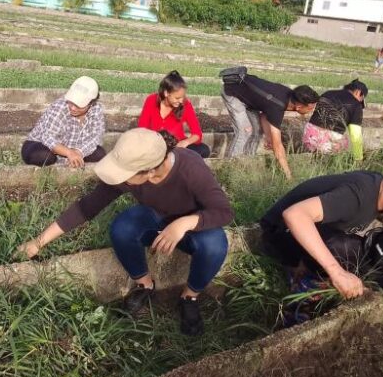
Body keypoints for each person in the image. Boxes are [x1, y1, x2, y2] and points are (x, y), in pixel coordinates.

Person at [17, 128, 234, 336]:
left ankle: (190, 297)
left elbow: (224, 211)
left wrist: (185, 222)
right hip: (156, 219)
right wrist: (38, 242)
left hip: (193, 229)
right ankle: (145, 285)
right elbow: (87, 207)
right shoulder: (130, 170)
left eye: (124, 174)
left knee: (215, 244)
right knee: (123, 227)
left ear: (149, 172)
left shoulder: (191, 167)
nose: (119, 177)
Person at [259, 163, 383, 299]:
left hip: (317, 230)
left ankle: (362, 294)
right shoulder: (356, 196)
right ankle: (303, 281)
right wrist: (337, 272)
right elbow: (294, 215)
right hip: (281, 235)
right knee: (346, 248)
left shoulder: (380, 187)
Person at [221, 73, 319, 179]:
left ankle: (245, 163)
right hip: (232, 92)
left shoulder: (289, 96)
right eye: (310, 108)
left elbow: (265, 114)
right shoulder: (277, 106)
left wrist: (269, 137)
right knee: (245, 131)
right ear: (299, 106)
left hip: (249, 98)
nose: (312, 110)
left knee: (258, 131)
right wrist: (288, 175)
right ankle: (230, 169)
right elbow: (278, 146)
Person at [21, 76, 106, 168]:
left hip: (75, 148)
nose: (73, 108)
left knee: (100, 154)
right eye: (71, 103)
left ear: (91, 103)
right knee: (43, 156)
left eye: (79, 105)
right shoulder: (59, 107)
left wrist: (78, 152)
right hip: (40, 144)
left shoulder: (96, 110)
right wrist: (69, 153)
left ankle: (73, 161)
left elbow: (94, 138)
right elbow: (48, 138)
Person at [138, 70, 210, 159]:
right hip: (154, 144)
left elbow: (197, 134)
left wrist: (185, 142)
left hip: (177, 146)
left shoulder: (185, 104)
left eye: (182, 97)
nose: (180, 101)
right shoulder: (151, 100)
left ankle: (173, 157)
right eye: (177, 98)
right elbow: (142, 128)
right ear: (166, 93)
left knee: (204, 149)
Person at [303, 79, 368, 161]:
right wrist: (358, 158)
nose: (360, 101)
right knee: (345, 141)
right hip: (326, 144)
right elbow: (355, 135)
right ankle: (328, 163)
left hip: (308, 136)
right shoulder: (356, 105)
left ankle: (316, 159)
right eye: (361, 98)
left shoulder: (328, 93)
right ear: (358, 92)